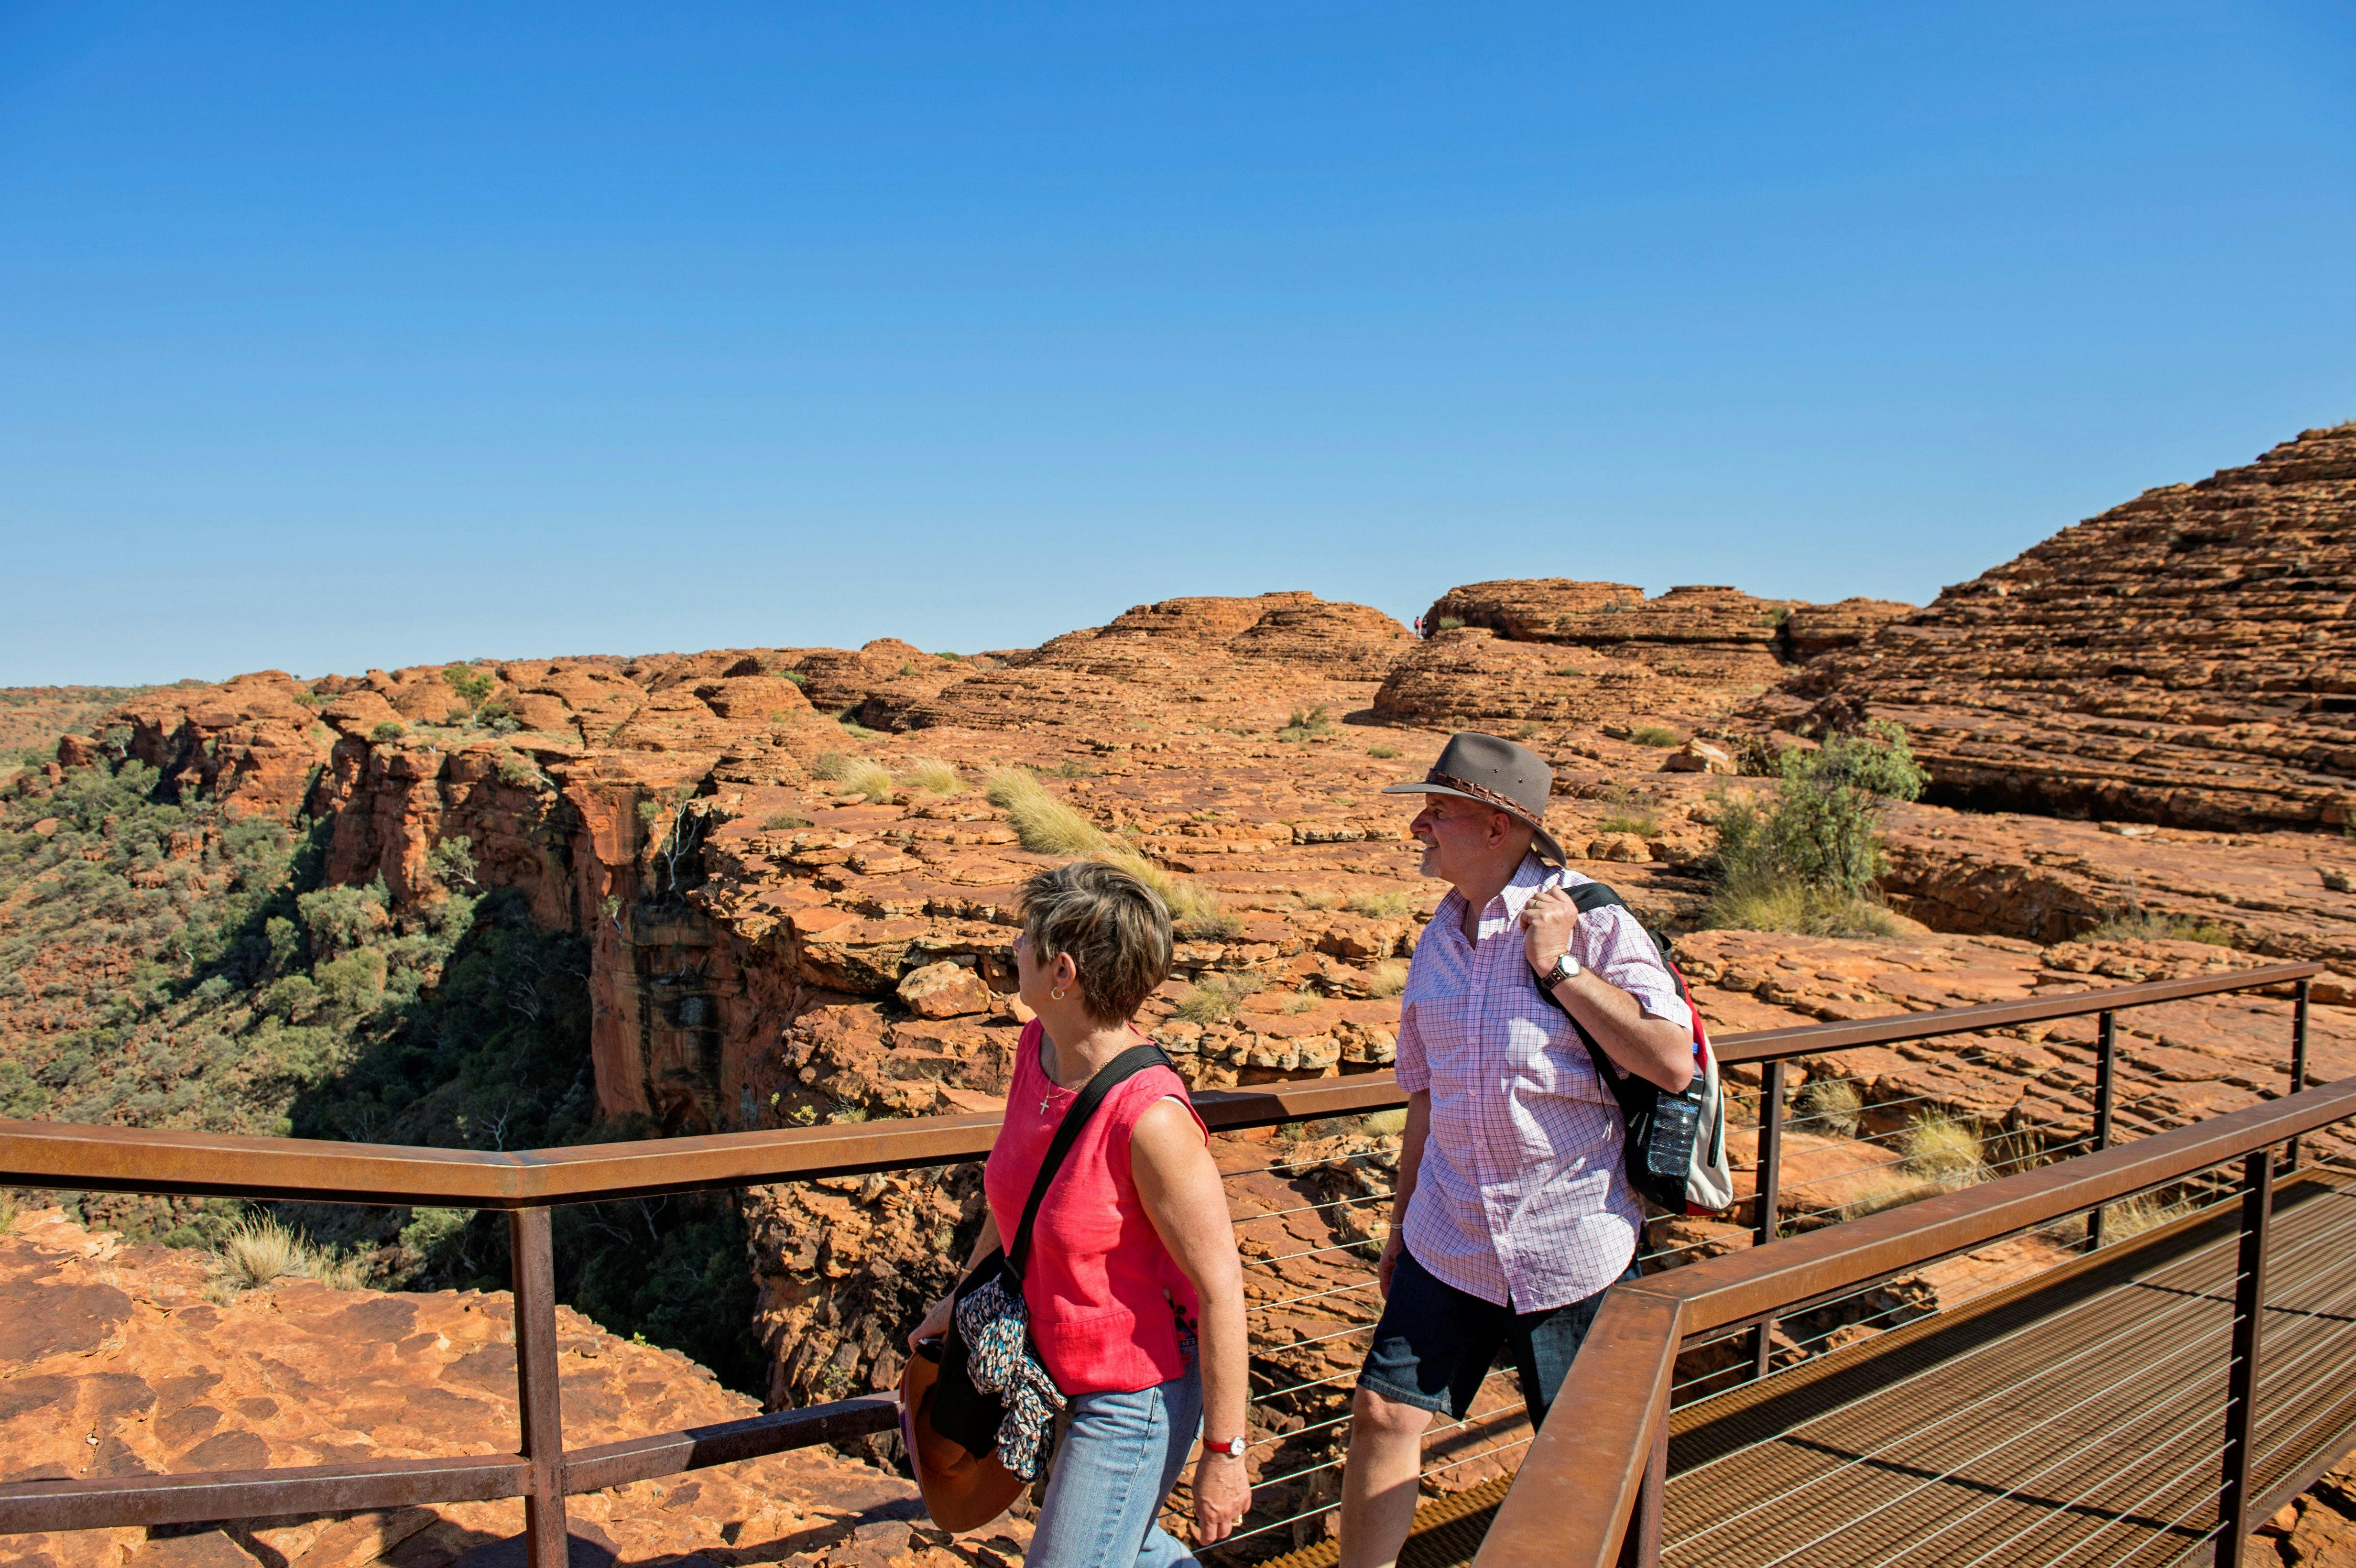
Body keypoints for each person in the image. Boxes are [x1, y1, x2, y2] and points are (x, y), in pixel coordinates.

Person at [1336, 732, 1697, 1568]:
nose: (1418, 827)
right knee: (1385, 1417)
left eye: (1439, 812)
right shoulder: (1439, 937)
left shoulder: (1593, 918)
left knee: (1587, 1461)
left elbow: (1671, 1062)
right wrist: (1399, 1225)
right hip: (1450, 1236)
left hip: (1569, 1242)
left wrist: (1560, 965)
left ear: (1500, 826)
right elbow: (1428, 1096)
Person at [910, 861, 1252, 1565]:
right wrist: (963, 1297)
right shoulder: (1039, 1049)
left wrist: (1225, 1452)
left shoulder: (1151, 1121)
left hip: (1138, 1390)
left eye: (1027, 937)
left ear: (1062, 972)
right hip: (1050, 1358)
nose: (1013, 948)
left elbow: (1221, 1291)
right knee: (1121, 1547)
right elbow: (1013, 1202)